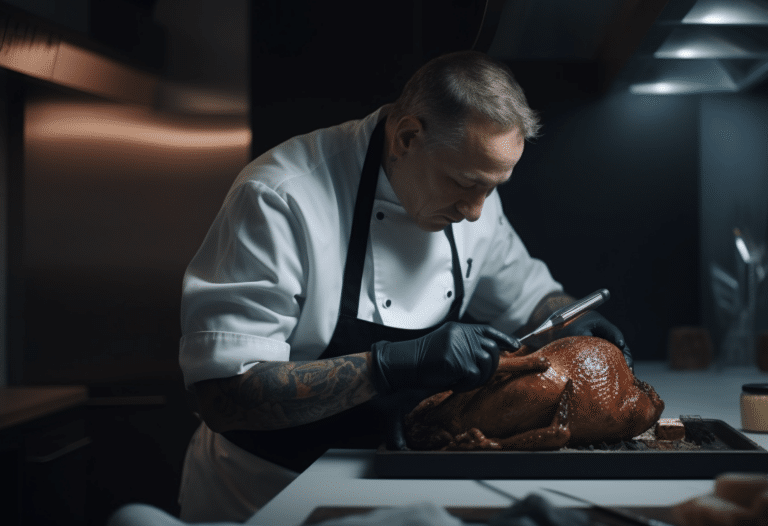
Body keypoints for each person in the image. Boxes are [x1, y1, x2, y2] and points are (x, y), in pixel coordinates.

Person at [177, 51, 632, 522]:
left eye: (492, 188)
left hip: (399, 488)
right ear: (408, 137)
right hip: (266, 495)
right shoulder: (281, 197)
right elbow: (223, 398)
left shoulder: (473, 191)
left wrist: (572, 320)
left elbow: (530, 298)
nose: (476, 211)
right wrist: (391, 366)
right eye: (464, 184)